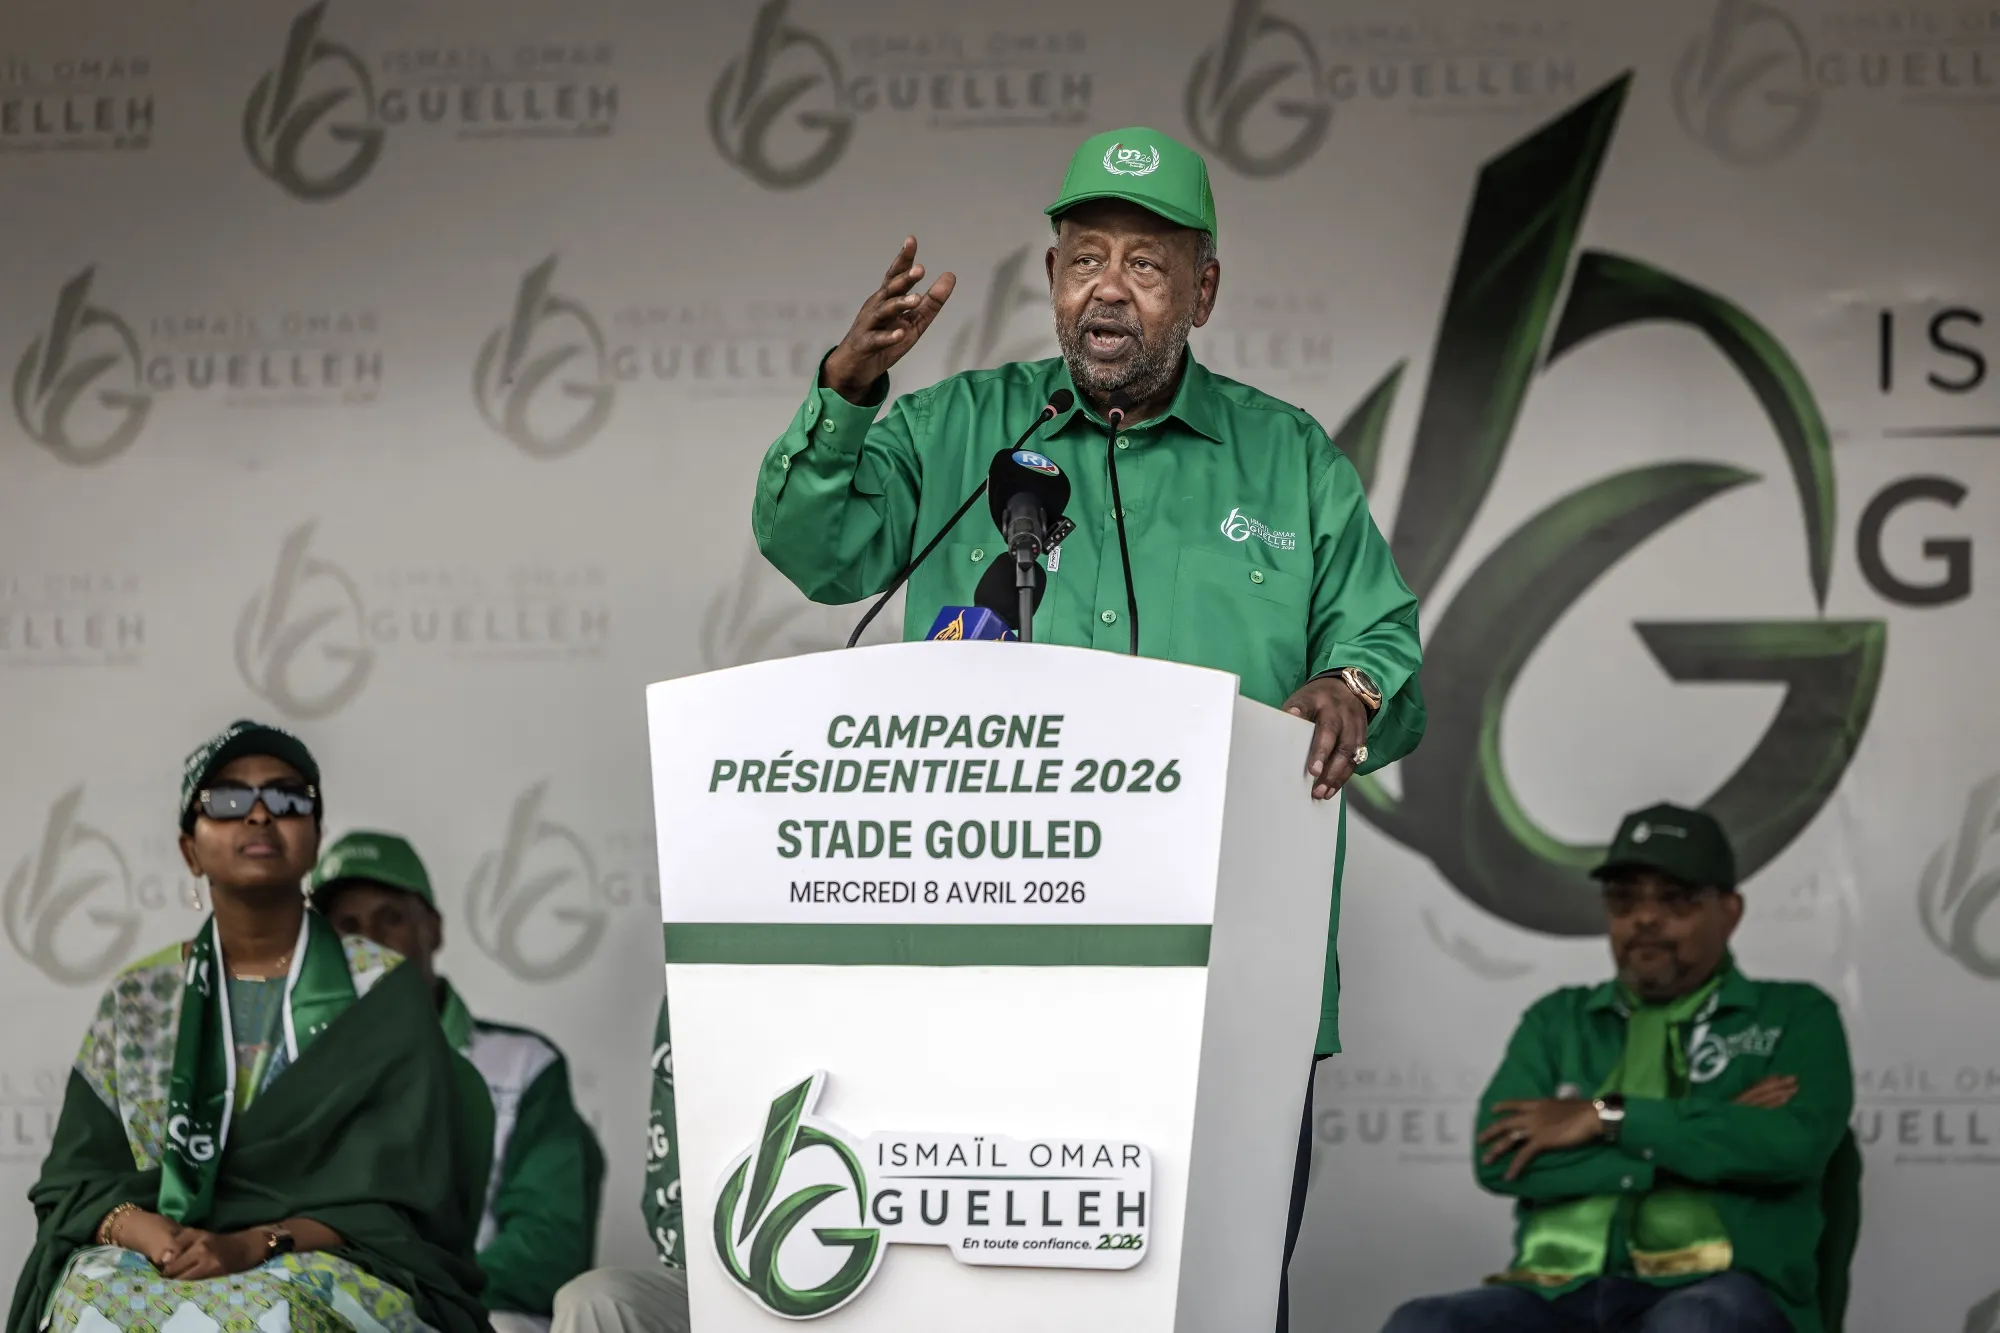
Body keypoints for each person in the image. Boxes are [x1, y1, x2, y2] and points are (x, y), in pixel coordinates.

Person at [752, 124, 1425, 1329]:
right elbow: (818, 550)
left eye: (1145, 264)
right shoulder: (956, 431)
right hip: (987, 973)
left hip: (1225, 987)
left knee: (1208, 1303)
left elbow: (1384, 656)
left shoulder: (1285, 460)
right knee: (983, 1303)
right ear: (1052, 277)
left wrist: (1351, 687)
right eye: (1082, 258)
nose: (1107, 288)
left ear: (1201, 292)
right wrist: (847, 393)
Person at [8, 720, 491, 1333]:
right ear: (190, 849)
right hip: (160, 1251)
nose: (260, 814)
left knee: (271, 1314)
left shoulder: (380, 988)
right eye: (229, 800)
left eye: (287, 799)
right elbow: (76, 1179)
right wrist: (149, 1233)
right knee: (91, 1302)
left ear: (315, 840)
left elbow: (405, 1196)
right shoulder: (140, 997)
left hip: (334, 1255)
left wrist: (255, 1243)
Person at [1383, 803, 1856, 1333]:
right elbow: (1499, 1159)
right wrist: (1702, 1134)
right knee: (1424, 1323)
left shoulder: (1796, 1014)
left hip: (1721, 1289)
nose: (1645, 918)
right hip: (1558, 1289)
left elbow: (1792, 1147)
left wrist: (1607, 1118)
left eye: (1675, 899)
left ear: (1730, 911)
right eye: (1624, 900)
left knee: (1693, 1322)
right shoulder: (1557, 1021)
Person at [312, 831, 605, 1333]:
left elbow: (548, 1247)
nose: (369, 942)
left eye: (390, 918)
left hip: (481, 1314)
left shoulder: (524, 1064)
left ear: (434, 929)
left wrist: (411, 1294)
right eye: (347, 926)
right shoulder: (292, 1068)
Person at [548, 993, 689, 1333]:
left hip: (819, 1264)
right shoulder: (700, 987)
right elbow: (670, 1204)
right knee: (593, 1302)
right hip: (732, 1275)